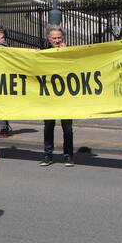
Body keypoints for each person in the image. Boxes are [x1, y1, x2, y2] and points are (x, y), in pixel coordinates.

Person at [40, 26, 75, 167]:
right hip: (49, 97)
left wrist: (67, 53)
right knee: (48, 126)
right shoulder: (43, 53)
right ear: (49, 39)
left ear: (63, 38)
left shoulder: (70, 51)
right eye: (54, 38)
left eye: (59, 37)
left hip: (65, 96)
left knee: (67, 128)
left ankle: (68, 156)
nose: (56, 40)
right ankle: (48, 155)